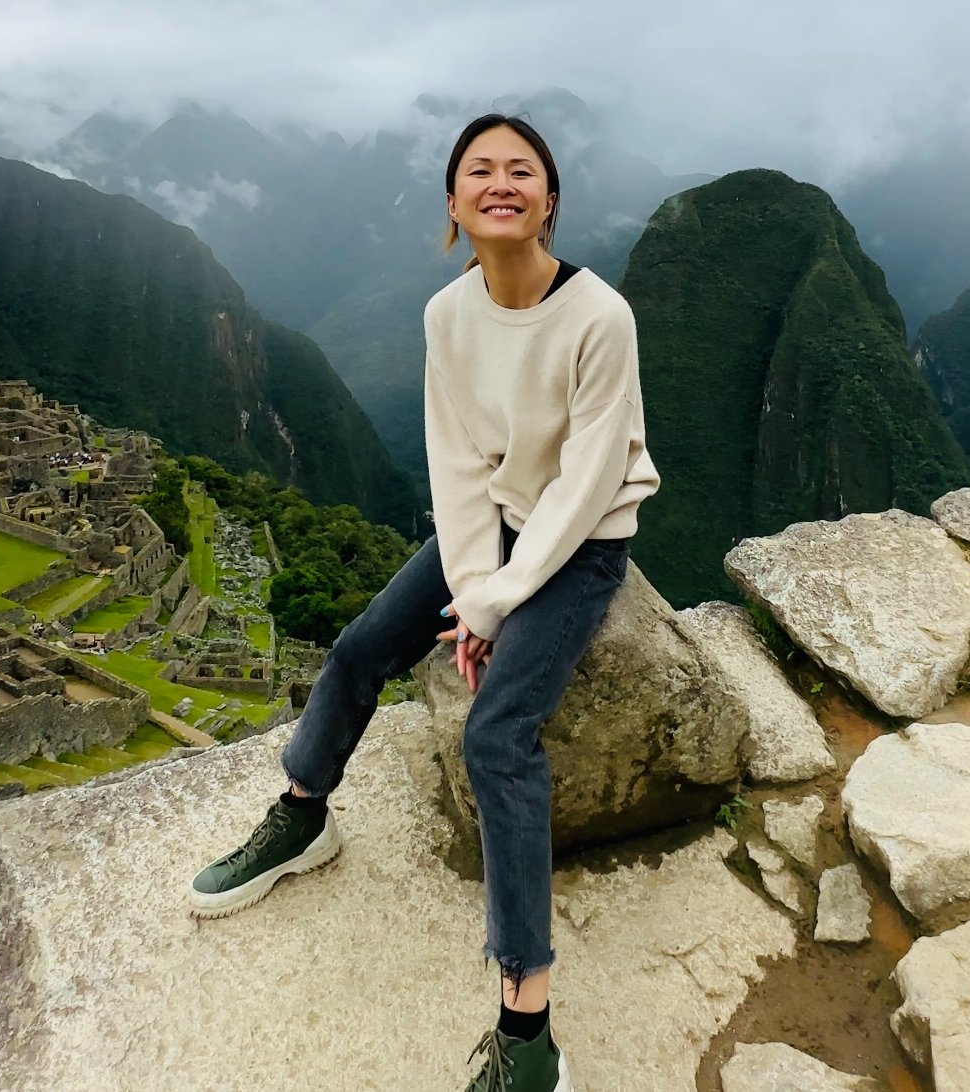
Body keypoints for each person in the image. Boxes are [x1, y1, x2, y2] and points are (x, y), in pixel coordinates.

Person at [188, 112, 660, 1091]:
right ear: (453, 204)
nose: (500, 182)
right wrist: (475, 582)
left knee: (497, 737)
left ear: (549, 200)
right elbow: (455, 462)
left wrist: (499, 602)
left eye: (520, 170)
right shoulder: (448, 315)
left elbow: (585, 481)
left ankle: (528, 1028)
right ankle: (304, 811)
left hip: (582, 541)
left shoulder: (599, 316)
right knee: (361, 649)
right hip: (491, 519)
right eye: (478, 170)